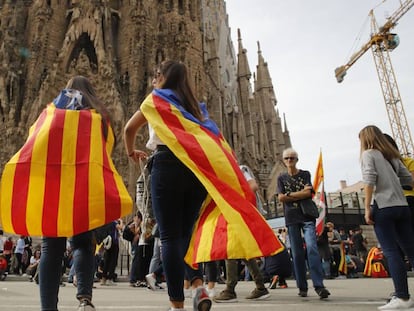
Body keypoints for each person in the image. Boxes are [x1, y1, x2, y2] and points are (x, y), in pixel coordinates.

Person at [123, 60, 212, 311]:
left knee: (170, 238)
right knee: (185, 235)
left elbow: (129, 129)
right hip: (195, 171)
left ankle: (177, 304)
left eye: (156, 75)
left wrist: (131, 151)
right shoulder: (196, 108)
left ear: (163, 78)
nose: (154, 79)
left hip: (167, 165)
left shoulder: (155, 100)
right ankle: (197, 284)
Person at [38, 76, 115, 311]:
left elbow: (36, 143)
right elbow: (107, 149)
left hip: (54, 185)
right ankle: (84, 300)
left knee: (51, 247)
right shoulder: (98, 116)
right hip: (84, 185)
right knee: (83, 243)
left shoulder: (52, 111)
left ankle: (48, 307)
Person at [359, 125, 414, 310]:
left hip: (384, 207)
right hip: (402, 207)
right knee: (411, 250)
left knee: (391, 252)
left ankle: (402, 297)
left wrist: (367, 207)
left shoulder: (368, 154)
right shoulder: (391, 156)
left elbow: (369, 180)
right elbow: (408, 179)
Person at [277, 147, 330, 299]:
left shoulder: (305, 174)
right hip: (292, 218)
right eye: (286, 158)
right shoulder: (281, 178)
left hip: (307, 216)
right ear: (283, 161)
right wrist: (299, 195)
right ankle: (302, 286)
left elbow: (308, 193)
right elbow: (280, 198)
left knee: (312, 248)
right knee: (297, 253)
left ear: (297, 159)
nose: (289, 161)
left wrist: (289, 195)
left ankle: (319, 286)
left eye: (292, 158)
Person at [214, 165, 270, 302]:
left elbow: (253, 186)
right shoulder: (224, 172)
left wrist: (235, 199)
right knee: (244, 253)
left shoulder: (239, 169)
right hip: (233, 214)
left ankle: (230, 289)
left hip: (239, 214)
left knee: (230, 249)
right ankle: (261, 287)